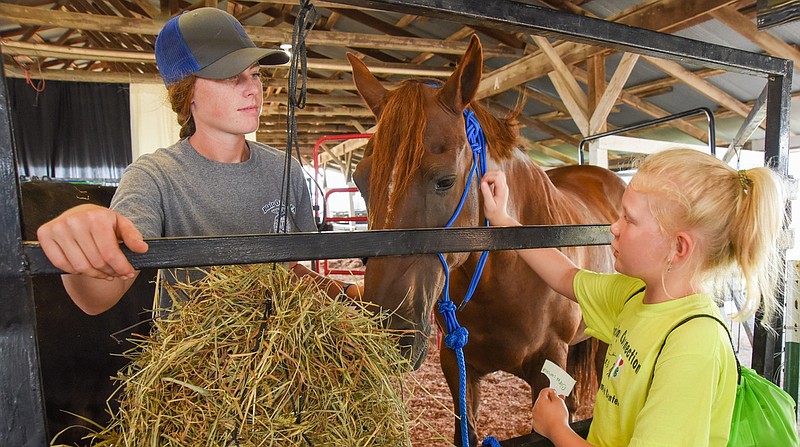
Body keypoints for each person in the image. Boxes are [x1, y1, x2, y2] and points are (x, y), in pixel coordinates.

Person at [36, 7, 360, 315]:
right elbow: (100, 296)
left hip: (282, 355)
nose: (253, 90)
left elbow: (292, 269)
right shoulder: (155, 177)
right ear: (187, 92)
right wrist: (79, 248)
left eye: (256, 74)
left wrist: (346, 293)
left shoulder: (284, 170)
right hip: (200, 368)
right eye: (231, 76)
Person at [480, 148, 785, 446]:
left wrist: (558, 429)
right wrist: (506, 221)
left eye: (629, 218)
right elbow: (565, 276)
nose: (614, 226)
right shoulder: (635, 295)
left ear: (678, 248)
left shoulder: (692, 346)